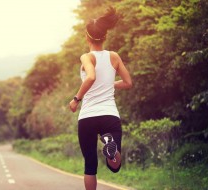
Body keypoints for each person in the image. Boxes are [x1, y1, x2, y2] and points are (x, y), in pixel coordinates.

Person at [69, 6, 132, 190]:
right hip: (109, 116)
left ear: (87, 37)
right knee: (114, 166)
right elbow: (128, 82)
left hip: (87, 117)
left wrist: (76, 99)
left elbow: (90, 77)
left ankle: (109, 147)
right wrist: (110, 85)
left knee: (90, 166)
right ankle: (111, 149)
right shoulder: (114, 56)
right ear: (105, 36)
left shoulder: (86, 57)